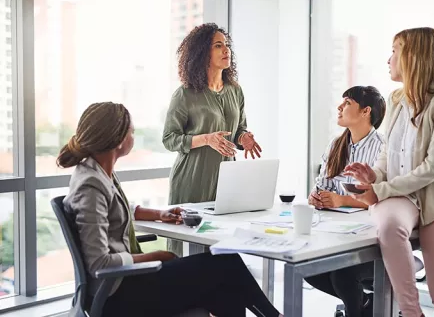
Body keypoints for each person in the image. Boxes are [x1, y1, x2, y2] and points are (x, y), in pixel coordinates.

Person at [58, 102, 282, 317]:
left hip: (125, 286)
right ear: (117, 140)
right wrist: (154, 256)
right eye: (132, 132)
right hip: (118, 297)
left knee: (225, 286)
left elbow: (117, 207)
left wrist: (158, 214)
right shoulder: (91, 185)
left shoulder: (98, 171)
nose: (133, 137)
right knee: (225, 264)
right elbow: (99, 263)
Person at [344, 27, 434, 317]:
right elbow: (390, 154)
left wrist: (381, 190)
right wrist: (372, 175)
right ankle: (411, 313)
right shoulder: (398, 99)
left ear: (413, 56)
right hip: (404, 199)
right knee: (388, 226)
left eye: (395, 51)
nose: (389, 59)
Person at [162, 23, 262, 256]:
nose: (226, 50)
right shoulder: (185, 94)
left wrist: (244, 138)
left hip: (225, 181)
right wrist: (206, 139)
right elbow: (169, 139)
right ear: (202, 53)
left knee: (221, 248)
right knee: (187, 251)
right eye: (218, 46)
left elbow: (238, 129)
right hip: (192, 180)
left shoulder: (235, 90)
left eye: (226, 45)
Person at [305, 85, 386, 317]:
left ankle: (358, 310)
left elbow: (381, 196)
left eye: (348, 102)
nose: (340, 107)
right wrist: (317, 198)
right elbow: (322, 186)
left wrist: (341, 200)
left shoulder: (382, 147)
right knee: (308, 269)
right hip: (336, 233)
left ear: (365, 111)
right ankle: (363, 306)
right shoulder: (336, 145)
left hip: (372, 241)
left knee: (342, 275)